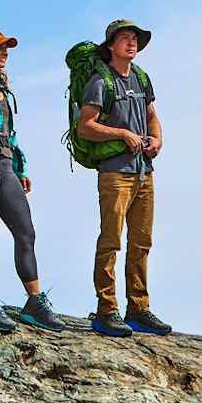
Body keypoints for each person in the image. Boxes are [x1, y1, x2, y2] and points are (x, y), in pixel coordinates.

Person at [0, 27, 65, 334]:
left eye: (6, 48)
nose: (5, 53)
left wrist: (21, 167)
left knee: (26, 232)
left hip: (6, 165)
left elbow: (11, 132)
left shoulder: (2, 88)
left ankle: (34, 301)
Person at [77, 19, 173, 338]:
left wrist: (156, 140)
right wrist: (121, 133)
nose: (131, 43)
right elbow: (86, 125)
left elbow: (152, 117)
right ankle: (107, 310)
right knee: (111, 240)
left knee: (142, 241)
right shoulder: (100, 81)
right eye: (125, 39)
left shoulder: (142, 78)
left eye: (134, 39)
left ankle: (139, 308)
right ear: (111, 46)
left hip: (144, 172)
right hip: (115, 172)